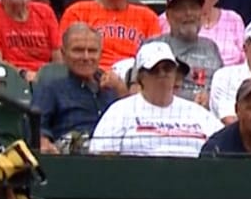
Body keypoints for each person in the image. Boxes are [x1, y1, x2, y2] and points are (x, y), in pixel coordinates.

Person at [89, 41, 224, 158]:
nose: (162, 73)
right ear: (140, 77)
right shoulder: (120, 111)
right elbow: (102, 157)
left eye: (167, 68)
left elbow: (224, 148)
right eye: (154, 69)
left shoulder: (198, 113)